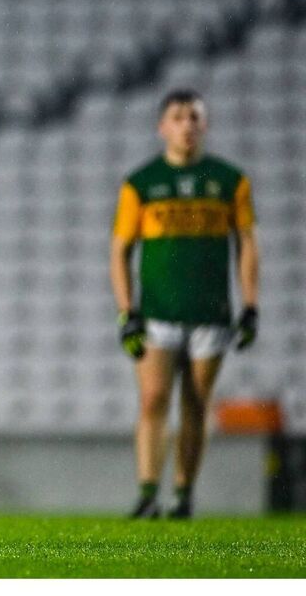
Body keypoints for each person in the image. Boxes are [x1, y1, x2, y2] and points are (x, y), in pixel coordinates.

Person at [110, 88, 259, 520]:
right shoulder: (142, 184)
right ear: (162, 127)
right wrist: (126, 311)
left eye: (194, 116)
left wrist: (250, 305)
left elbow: (248, 244)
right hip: (157, 310)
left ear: (205, 125)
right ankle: (147, 493)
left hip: (211, 312)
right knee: (154, 398)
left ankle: (183, 494)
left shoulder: (230, 181)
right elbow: (118, 249)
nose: (187, 125)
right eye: (178, 117)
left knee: (196, 401)